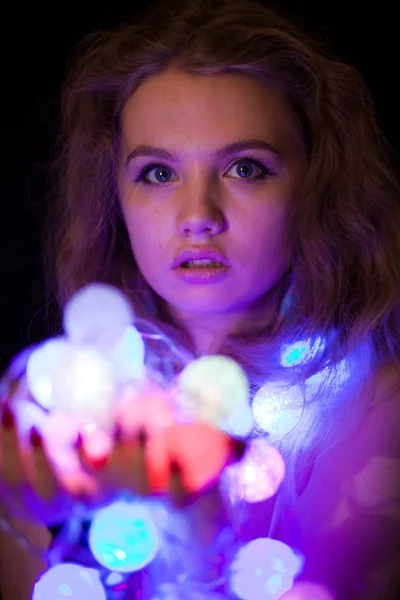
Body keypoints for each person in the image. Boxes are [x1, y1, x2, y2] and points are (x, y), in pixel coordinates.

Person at [1, 0, 400, 598]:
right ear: (116, 196)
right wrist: (45, 526)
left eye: (245, 168)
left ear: (317, 185)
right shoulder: (51, 409)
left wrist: (200, 526)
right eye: (158, 174)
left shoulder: (372, 410)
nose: (198, 217)